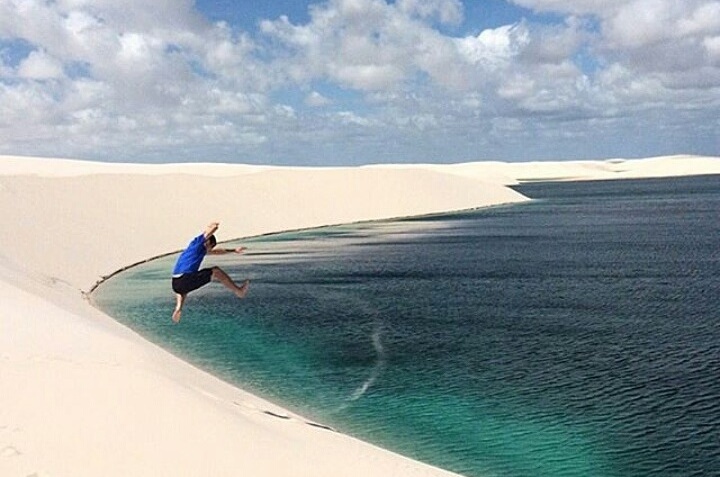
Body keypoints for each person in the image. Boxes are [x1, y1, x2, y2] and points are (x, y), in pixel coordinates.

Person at [171, 221, 250, 323]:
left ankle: (178, 308)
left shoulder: (195, 249)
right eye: (211, 246)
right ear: (207, 243)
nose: (211, 249)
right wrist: (214, 227)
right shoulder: (198, 243)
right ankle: (239, 291)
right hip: (184, 279)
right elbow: (208, 233)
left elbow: (217, 252)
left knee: (184, 288)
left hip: (176, 283)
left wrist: (233, 250)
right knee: (216, 271)